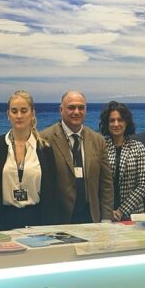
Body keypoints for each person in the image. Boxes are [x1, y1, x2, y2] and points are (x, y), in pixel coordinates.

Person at [0, 90, 58, 230]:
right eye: (14, 111)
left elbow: (52, 191)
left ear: (32, 114)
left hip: (37, 220)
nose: (19, 116)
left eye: (24, 111)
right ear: (8, 114)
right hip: (1, 219)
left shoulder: (44, 149)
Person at [40, 91, 113, 224]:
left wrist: (106, 218)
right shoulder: (45, 139)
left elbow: (106, 184)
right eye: (71, 107)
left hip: (91, 217)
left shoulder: (98, 140)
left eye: (81, 108)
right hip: (58, 219)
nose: (77, 112)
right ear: (61, 110)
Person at [98, 101, 145, 221]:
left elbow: (143, 184)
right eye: (112, 120)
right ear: (107, 123)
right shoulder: (100, 145)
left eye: (120, 120)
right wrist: (107, 210)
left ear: (127, 122)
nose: (116, 124)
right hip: (104, 213)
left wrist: (122, 211)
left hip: (133, 213)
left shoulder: (138, 147)